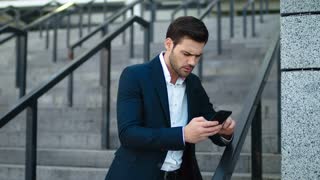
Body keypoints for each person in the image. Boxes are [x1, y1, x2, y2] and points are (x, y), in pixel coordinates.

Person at [105, 16, 236, 180]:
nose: (192, 62)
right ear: (169, 44)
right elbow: (128, 134)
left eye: (197, 56)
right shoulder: (135, 75)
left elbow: (210, 125)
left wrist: (225, 132)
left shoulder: (193, 83)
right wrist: (182, 135)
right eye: (187, 54)